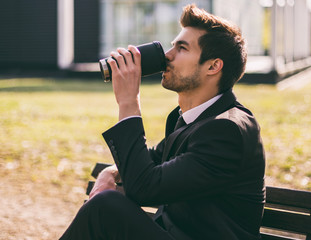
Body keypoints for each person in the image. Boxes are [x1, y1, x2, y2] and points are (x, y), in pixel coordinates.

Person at [60, 4, 265, 240]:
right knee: (105, 207)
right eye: (172, 46)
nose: (167, 55)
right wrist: (111, 171)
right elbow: (151, 162)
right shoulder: (189, 118)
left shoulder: (227, 130)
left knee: (105, 206)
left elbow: (144, 187)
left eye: (182, 48)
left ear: (212, 66)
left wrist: (128, 103)